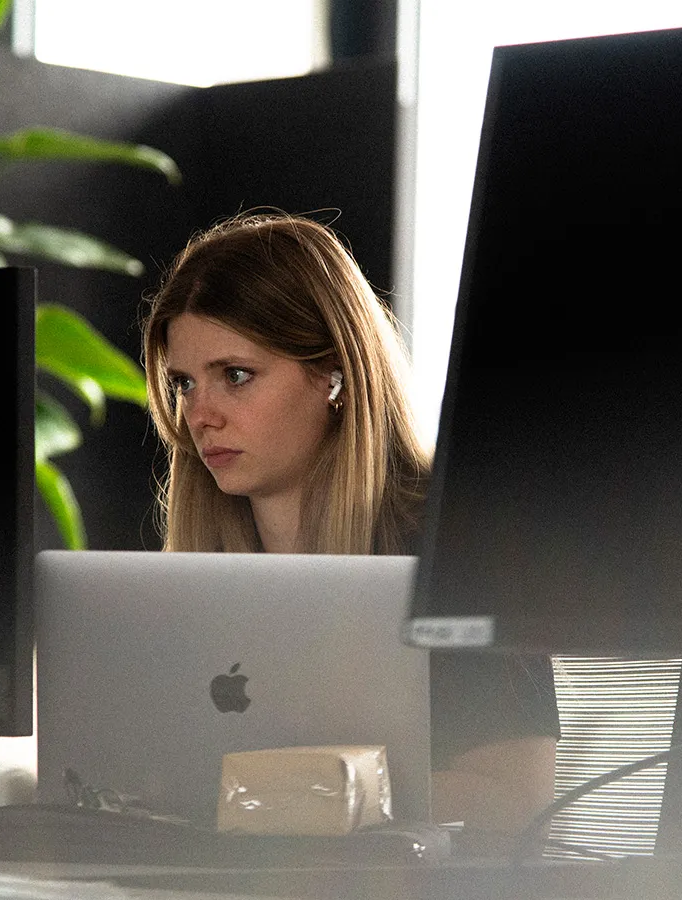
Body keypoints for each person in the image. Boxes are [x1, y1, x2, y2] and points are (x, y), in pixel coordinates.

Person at [140, 211, 559, 840]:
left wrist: (299, 802)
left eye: (235, 376)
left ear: (334, 376)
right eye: (184, 384)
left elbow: (512, 796)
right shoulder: (199, 577)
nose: (201, 415)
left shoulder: (456, 546)